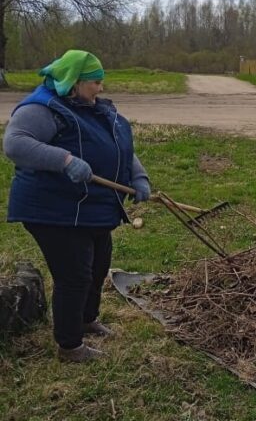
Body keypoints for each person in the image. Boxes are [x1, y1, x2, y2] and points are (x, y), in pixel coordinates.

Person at [3, 50, 151, 363]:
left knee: (99, 264)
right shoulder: (41, 108)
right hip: (52, 208)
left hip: (88, 208)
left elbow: (118, 145)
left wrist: (138, 177)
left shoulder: (90, 107)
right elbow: (15, 143)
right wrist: (65, 160)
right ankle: (69, 346)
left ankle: (86, 319)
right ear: (73, 82)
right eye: (94, 82)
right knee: (75, 275)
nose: (100, 88)